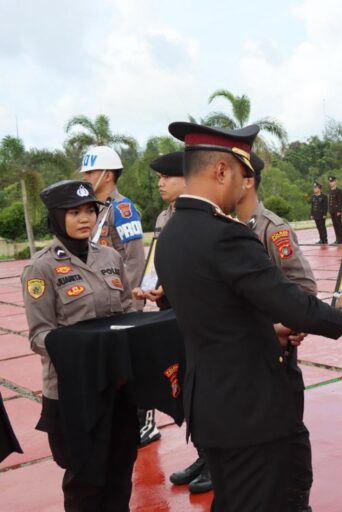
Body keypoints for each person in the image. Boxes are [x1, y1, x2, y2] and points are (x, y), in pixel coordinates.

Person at [155, 121, 342, 512]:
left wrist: (273, 332)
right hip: (250, 411)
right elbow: (287, 299)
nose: (244, 185)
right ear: (221, 171)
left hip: (212, 407)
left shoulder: (171, 234)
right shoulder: (224, 235)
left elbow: (219, 316)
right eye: (241, 173)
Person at [22, 180, 137, 511]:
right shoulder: (40, 268)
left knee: (120, 468)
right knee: (84, 480)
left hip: (118, 384)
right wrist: (85, 351)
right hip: (74, 393)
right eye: (74, 212)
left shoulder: (110, 257)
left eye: (89, 211)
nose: (85, 218)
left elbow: (128, 310)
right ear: (57, 217)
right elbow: (39, 335)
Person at [235, 153, 318, 511]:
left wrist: (289, 326)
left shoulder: (271, 228)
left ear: (249, 180)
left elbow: (304, 288)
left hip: (275, 355)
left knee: (286, 437)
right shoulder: (221, 227)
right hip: (238, 358)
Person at [130, 151, 213, 494]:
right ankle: (202, 454)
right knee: (187, 391)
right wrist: (153, 289)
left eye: (167, 177)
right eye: (159, 178)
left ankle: (217, 461)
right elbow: (159, 259)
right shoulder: (165, 216)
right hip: (170, 313)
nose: (161, 183)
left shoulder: (206, 214)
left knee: (207, 390)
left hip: (198, 316)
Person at [79, 146, 145, 310]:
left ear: (107, 175)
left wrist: (131, 304)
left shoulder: (123, 209)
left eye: (90, 172)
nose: (84, 176)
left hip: (120, 302)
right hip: (99, 298)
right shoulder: (93, 209)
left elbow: (135, 260)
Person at [328, 176, 342, 244]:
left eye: (332, 181)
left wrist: (339, 211)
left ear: (335, 182)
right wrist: (329, 210)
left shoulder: (338, 190)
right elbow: (330, 202)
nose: (331, 183)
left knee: (339, 225)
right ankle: (337, 239)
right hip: (332, 211)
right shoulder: (330, 191)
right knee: (335, 225)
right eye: (330, 182)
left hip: (337, 211)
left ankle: (340, 240)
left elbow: (340, 201)